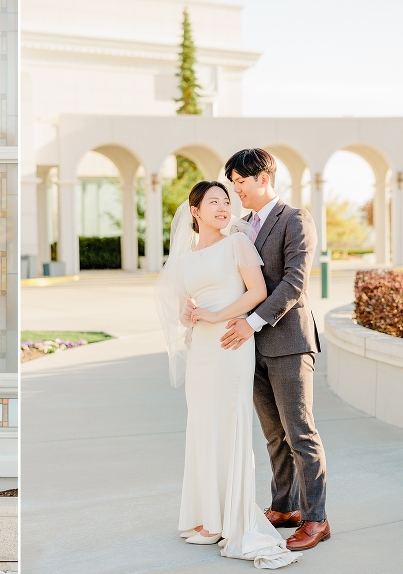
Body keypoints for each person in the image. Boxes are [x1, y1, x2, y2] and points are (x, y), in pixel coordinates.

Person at [155, 180, 301, 568]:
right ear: (195, 212)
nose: (223, 207)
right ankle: (208, 517)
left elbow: (255, 291)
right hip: (202, 349)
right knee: (202, 426)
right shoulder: (185, 259)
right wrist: (189, 313)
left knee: (230, 426)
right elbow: (185, 303)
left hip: (232, 343)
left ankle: (232, 518)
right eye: (213, 202)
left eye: (226, 200)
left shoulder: (238, 243)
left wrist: (219, 316)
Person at [221, 149, 328, 551]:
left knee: (301, 433)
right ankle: (284, 507)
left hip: (288, 343)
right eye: (232, 184)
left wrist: (251, 321)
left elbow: (294, 282)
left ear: (263, 178)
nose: (236, 191)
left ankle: (316, 518)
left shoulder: (296, 219)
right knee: (273, 435)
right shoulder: (242, 226)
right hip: (251, 349)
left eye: (241, 183)